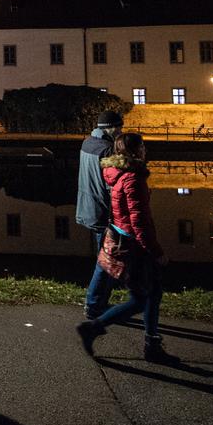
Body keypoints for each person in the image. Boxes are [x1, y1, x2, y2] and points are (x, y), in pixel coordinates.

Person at [76, 133, 178, 364]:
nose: (145, 149)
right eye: (142, 146)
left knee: (151, 293)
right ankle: (94, 327)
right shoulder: (133, 178)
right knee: (143, 297)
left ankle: (152, 342)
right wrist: (156, 251)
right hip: (135, 247)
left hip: (124, 240)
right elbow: (138, 220)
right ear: (136, 151)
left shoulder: (117, 173)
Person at [75, 110, 123, 319]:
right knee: (105, 260)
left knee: (105, 257)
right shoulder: (107, 150)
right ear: (110, 128)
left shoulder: (87, 143)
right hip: (102, 210)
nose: (121, 131)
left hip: (88, 206)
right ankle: (93, 304)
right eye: (119, 128)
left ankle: (99, 301)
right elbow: (112, 182)